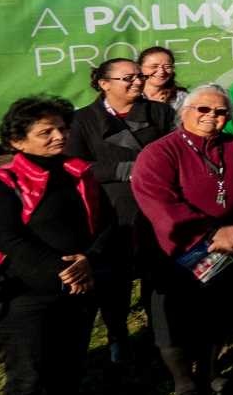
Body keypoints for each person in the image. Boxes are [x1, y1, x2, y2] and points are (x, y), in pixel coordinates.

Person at [0, 96, 116, 395]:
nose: (59, 136)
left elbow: (106, 223)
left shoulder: (78, 172)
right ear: (16, 141)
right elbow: (11, 240)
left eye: (62, 128)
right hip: (23, 299)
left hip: (77, 292)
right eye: (46, 132)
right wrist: (65, 271)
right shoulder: (0, 183)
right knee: (28, 380)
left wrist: (88, 260)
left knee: (68, 370)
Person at [131, 84, 233, 395]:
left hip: (227, 251)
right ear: (185, 112)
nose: (212, 116)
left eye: (221, 112)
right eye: (203, 110)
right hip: (174, 253)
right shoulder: (159, 152)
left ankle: (210, 373)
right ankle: (184, 385)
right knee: (173, 323)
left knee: (217, 316)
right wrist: (212, 233)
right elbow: (161, 203)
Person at [65, 57, 175, 364]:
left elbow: (175, 150)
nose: (138, 82)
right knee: (114, 281)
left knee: (158, 277)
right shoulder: (82, 120)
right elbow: (73, 165)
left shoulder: (161, 112)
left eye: (139, 76)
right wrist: (124, 168)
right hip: (113, 213)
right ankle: (118, 336)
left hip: (157, 209)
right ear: (104, 83)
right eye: (128, 78)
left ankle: (161, 335)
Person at [139, 45, 185, 109]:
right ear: (140, 68)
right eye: (154, 66)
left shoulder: (182, 99)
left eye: (167, 67)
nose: (161, 71)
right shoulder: (130, 95)